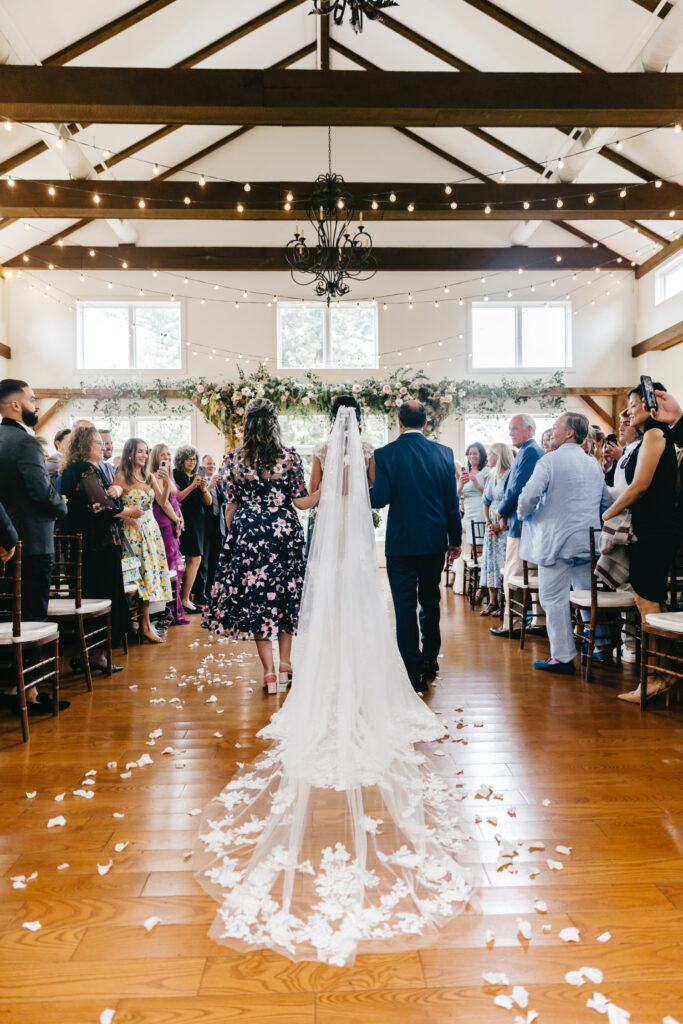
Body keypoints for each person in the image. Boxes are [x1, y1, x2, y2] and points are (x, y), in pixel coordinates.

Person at [193, 404, 471, 967]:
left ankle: (282, 671)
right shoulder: (369, 454)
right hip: (351, 543)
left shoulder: (301, 454)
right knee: (386, 606)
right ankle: (401, 666)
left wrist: (280, 507)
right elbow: (362, 499)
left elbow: (285, 502)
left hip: (304, 539)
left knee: (296, 607)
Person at [202, 398, 319, 693]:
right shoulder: (289, 457)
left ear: (247, 425)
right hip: (284, 534)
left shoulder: (232, 460)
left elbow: (230, 507)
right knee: (285, 597)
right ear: (274, 424)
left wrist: (237, 537)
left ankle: (268, 673)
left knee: (258, 602)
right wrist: (325, 490)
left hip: (249, 535)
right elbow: (302, 503)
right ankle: (285, 666)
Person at [370, 400, 462, 693]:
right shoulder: (444, 454)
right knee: (431, 602)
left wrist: (359, 483)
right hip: (433, 541)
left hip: (401, 544)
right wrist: (455, 540)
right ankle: (430, 660)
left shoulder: (385, 454)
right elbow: (451, 503)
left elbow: (379, 499)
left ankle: (414, 672)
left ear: (399, 422)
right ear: (425, 422)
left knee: (405, 607)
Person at [518, 412, 612, 674]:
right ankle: (601, 646)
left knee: (552, 598)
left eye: (555, 427)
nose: (552, 431)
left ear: (570, 433)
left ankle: (562, 657)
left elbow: (528, 497)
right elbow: (606, 502)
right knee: (587, 593)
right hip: (588, 540)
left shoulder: (550, 461)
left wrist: (524, 515)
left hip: (556, 541)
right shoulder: (593, 464)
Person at [603, 383, 679, 703]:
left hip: (654, 530)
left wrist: (608, 513)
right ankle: (662, 674)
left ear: (650, 405)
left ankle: (655, 679)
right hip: (650, 529)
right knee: (646, 602)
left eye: (633, 405)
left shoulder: (655, 435)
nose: (629, 411)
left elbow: (640, 485)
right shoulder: (653, 437)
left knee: (649, 604)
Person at [0, 379, 67, 713]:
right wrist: (61, 504)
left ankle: (10, 685)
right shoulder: (25, 443)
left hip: (7, 539)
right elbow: (41, 491)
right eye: (32, 399)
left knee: (10, 615)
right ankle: (29, 692)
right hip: (33, 541)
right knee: (32, 618)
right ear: (15, 404)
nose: (36, 404)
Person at [59, 426, 140, 670]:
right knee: (104, 597)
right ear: (84, 445)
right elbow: (101, 505)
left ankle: (86, 653)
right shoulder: (85, 469)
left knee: (94, 596)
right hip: (98, 546)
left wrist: (115, 491)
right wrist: (128, 511)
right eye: (97, 442)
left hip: (88, 545)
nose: (102, 446)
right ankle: (96, 655)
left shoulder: (75, 470)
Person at [490, 414, 544, 638]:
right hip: (524, 523)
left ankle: (510, 623)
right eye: (510, 428)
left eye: (515, 428)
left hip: (521, 525)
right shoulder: (527, 451)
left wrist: (501, 511)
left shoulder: (531, 452)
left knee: (513, 575)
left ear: (529, 429)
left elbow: (518, 488)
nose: (510, 432)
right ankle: (539, 621)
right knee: (533, 573)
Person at [113, 438, 172, 644]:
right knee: (134, 577)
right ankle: (133, 624)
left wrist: (166, 483)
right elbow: (112, 508)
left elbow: (162, 501)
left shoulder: (149, 476)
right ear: (130, 454)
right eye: (140, 451)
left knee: (148, 577)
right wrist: (127, 516)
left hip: (150, 531)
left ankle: (145, 625)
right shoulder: (120, 477)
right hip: (132, 533)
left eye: (146, 452)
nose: (144, 456)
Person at [149, 442, 188, 626]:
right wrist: (176, 520)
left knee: (175, 566)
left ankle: (175, 608)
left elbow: (175, 501)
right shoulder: (155, 476)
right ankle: (170, 609)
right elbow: (163, 503)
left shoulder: (170, 476)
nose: (167, 458)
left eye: (168, 454)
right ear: (156, 457)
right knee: (169, 565)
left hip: (173, 519)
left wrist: (181, 518)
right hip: (163, 521)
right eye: (163, 455)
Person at [173, 445, 211, 614]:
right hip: (185, 520)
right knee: (192, 558)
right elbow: (176, 498)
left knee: (196, 559)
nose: (192, 462)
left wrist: (203, 488)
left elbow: (208, 502)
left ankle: (186, 598)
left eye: (194, 459)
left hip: (199, 521)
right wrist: (192, 486)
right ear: (181, 460)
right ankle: (183, 599)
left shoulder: (197, 476)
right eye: (189, 459)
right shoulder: (176, 475)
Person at [479, 442, 514, 616]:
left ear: (499, 455)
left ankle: (506, 604)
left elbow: (511, 501)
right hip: (491, 528)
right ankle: (493, 602)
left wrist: (499, 526)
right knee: (490, 562)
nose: (487, 457)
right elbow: (485, 501)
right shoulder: (492, 476)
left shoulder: (510, 475)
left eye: (490, 454)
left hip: (505, 528)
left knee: (504, 563)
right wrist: (488, 524)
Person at [456, 441, 490, 596]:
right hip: (469, 512)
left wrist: (476, 484)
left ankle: (483, 585)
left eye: (475, 453)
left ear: (481, 455)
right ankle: (479, 582)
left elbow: (491, 494)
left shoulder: (486, 472)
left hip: (481, 510)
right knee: (473, 549)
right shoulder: (465, 472)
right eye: (469, 453)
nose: (472, 456)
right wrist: (461, 485)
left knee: (482, 548)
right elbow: (457, 495)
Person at [192, 454, 226, 608]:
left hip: (218, 525)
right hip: (204, 524)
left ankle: (211, 592)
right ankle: (200, 594)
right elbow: (199, 500)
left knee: (214, 561)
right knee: (203, 562)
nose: (211, 466)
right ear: (202, 465)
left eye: (213, 464)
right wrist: (209, 486)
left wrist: (224, 486)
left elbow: (224, 501)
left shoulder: (217, 481)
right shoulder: (199, 480)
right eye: (208, 464)